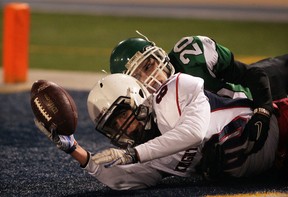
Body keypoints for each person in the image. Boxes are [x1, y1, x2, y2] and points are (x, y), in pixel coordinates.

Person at [35, 73, 288, 190]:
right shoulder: (150, 154)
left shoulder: (173, 93)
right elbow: (122, 180)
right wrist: (75, 150)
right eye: (112, 125)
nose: (122, 127)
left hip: (280, 124)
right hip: (273, 166)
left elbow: (193, 133)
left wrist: (134, 154)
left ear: (138, 98)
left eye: (122, 115)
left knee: (227, 145)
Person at [109, 35, 288, 155]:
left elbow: (255, 76)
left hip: (267, 92)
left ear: (160, 56)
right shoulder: (149, 112)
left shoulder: (191, 58)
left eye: (148, 67)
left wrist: (262, 111)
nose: (150, 79)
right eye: (138, 78)